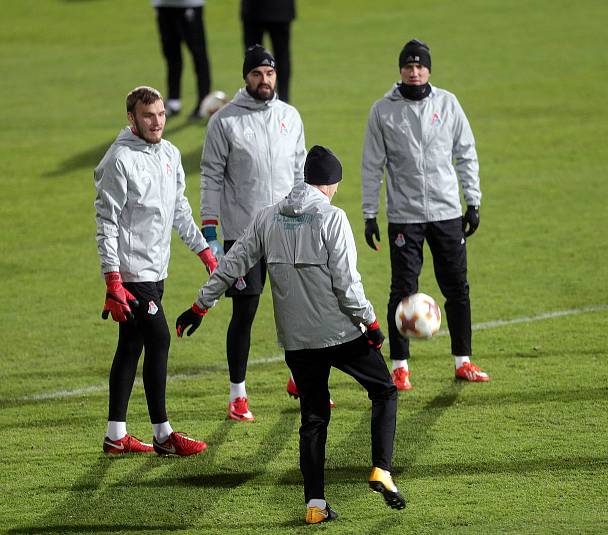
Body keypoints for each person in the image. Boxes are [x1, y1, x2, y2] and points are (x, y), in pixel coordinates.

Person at [177, 146, 406, 524]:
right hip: (340, 332)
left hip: (297, 342)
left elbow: (233, 264)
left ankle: (315, 505)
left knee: (313, 417)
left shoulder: (267, 217)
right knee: (383, 390)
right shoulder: (333, 218)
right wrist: (371, 324)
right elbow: (347, 284)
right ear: (331, 183)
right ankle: (382, 469)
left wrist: (201, 305)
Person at [94, 86, 217, 456]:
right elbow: (107, 222)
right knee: (159, 340)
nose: (157, 121)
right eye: (149, 115)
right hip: (133, 274)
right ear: (131, 118)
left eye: (161, 114)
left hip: (155, 269)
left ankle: (116, 435)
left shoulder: (170, 153)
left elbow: (178, 208)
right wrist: (113, 278)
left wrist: (204, 251)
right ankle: (164, 435)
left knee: (130, 345)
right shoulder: (119, 160)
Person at [361, 39, 490, 390]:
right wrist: (370, 213)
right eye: (408, 66)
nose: (414, 72)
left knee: (457, 287)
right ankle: (400, 367)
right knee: (402, 291)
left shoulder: (448, 105)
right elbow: (372, 166)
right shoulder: (382, 111)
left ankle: (463, 361)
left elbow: (467, 154)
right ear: (400, 70)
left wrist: (473, 202)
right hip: (405, 215)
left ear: (429, 69)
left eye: (419, 66)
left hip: (447, 212)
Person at [200, 44, 312, 421]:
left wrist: (305, 214)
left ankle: (300, 379)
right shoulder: (224, 122)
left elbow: (300, 173)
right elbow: (211, 178)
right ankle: (238, 395)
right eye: (256, 74)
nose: (264, 80)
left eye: (269, 73)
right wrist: (210, 229)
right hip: (242, 234)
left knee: (296, 309)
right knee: (245, 311)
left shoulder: (290, 117)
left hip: (286, 229)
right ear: (245, 77)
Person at [152, 0, 212, 118]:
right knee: (171, 54)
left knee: (198, 54)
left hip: (188, 4)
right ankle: (173, 101)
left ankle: (204, 102)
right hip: (163, 5)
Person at [240, 0, 295, 103]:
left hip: (254, 8)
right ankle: (283, 101)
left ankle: (256, 99)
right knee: (281, 55)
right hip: (280, 8)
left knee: (254, 58)